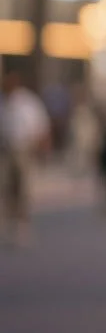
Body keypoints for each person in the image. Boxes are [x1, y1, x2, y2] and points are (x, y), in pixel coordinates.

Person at [0, 71, 51, 247]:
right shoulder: (2, 102)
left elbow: (40, 125)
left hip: (23, 148)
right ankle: (9, 221)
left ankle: (22, 223)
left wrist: (41, 149)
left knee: (23, 187)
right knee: (6, 187)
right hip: (5, 150)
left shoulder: (28, 102)